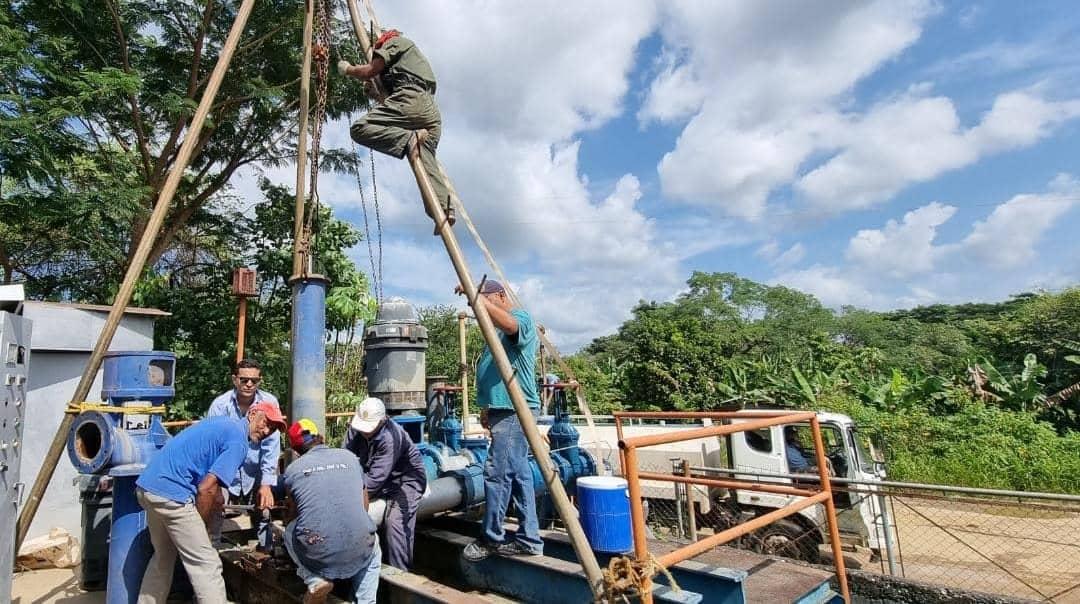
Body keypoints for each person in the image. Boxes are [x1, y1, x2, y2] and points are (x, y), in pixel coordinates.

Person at [135, 403, 286, 604]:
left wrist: (218, 498)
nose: (266, 431)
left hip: (148, 487)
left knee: (163, 557)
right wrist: (202, 526)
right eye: (266, 423)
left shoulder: (224, 424)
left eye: (272, 429)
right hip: (173, 494)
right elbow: (206, 488)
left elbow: (207, 476)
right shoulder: (239, 442)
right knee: (207, 564)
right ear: (252, 414)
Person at [457, 279, 545, 562]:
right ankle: (529, 539)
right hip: (502, 410)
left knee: (496, 472)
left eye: (485, 300)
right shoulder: (495, 334)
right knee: (519, 475)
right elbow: (495, 373)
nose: (479, 306)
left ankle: (491, 538)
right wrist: (486, 407)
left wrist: (475, 296)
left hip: (515, 411)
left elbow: (511, 326)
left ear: (500, 295)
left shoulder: (521, 318)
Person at [338, 29, 452, 227]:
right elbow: (390, 100)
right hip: (428, 113)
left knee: (359, 129)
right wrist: (374, 93)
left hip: (412, 101)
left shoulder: (397, 41)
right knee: (426, 161)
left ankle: (409, 139)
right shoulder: (409, 63)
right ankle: (443, 209)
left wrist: (347, 69)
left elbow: (370, 71)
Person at [283, 419, 380, 604]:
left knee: (289, 531)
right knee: (374, 547)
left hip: (318, 549)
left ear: (296, 450)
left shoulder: (292, 470)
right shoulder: (350, 457)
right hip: (360, 543)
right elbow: (364, 505)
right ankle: (366, 601)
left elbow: (295, 515)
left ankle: (314, 578)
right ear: (321, 438)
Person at [206, 358, 282, 550]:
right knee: (214, 511)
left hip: (255, 468)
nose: (249, 384)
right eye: (244, 379)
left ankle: (265, 553)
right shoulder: (220, 406)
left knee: (263, 512)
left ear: (260, 381)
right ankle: (212, 553)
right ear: (234, 379)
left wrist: (266, 484)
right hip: (225, 468)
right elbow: (213, 445)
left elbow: (271, 445)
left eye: (254, 381)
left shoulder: (269, 403)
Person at [343, 397, 427, 570]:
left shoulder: (390, 437)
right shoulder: (356, 428)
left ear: (383, 421)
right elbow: (345, 460)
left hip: (405, 481)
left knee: (395, 523)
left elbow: (374, 480)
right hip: (376, 479)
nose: (364, 432)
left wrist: (349, 500)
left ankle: (400, 575)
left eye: (369, 428)